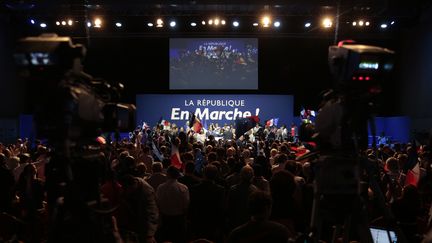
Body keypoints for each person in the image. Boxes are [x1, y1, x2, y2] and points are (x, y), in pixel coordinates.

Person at [189, 164, 226, 242]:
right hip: (213, 224)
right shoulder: (220, 190)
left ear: (204, 174)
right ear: (216, 175)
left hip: (198, 223)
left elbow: (191, 208)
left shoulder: (195, 188)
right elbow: (221, 209)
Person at [156, 166, 189, 243]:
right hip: (179, 220)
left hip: (165, 219)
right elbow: (186, 206)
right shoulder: (183, 188)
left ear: (168, 174)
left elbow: (158, 203)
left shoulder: (161, 187)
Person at [227, 165, 258, 230]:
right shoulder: (255, 190)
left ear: (241, 175)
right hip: (248, 223)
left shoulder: (233, 189)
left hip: (234, 222)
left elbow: (229, 207)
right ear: (252, 176)